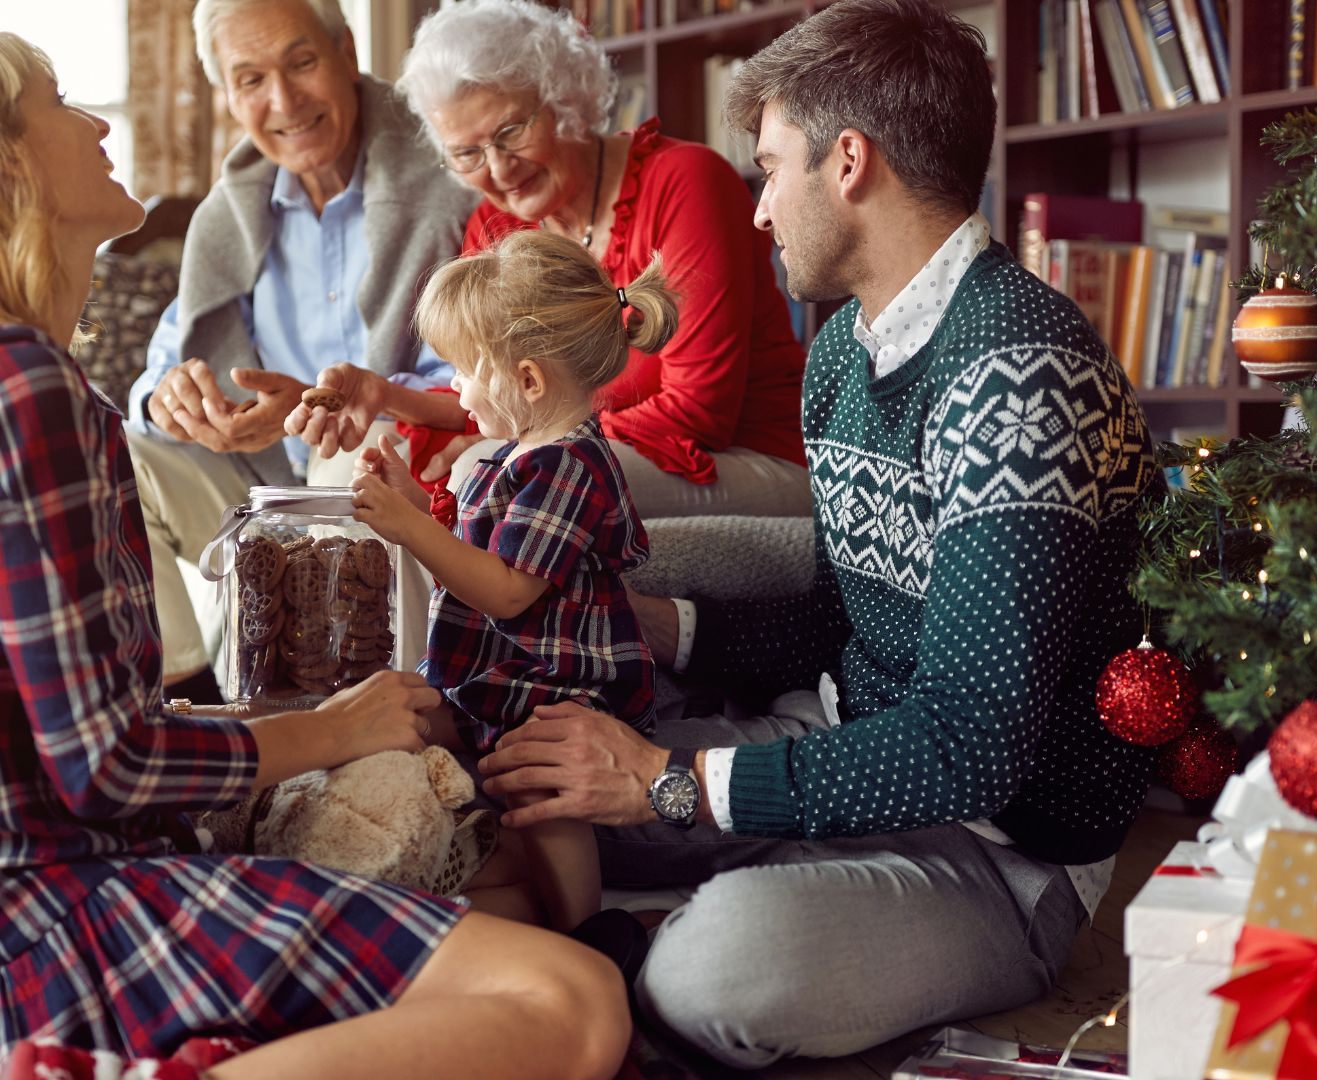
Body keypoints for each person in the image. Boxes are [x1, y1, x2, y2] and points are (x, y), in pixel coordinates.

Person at [475, 0, 1166, 1068]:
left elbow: (971, 748)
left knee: (714, 969)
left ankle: (679, 936)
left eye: (768, 169)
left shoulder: (1018, 372)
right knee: (535, 800)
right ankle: (682, 919)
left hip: (1001, 852)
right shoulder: (843, 351)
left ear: (849, 162)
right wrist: (659, 624)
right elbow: (845, 616)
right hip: (837, 738)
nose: (758, 211)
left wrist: (665, 781)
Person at [0, 32, 627, 1080]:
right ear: (11, 165)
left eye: (299, 62)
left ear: (344, 55)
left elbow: (74, 739)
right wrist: (330, 729)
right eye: (61, 102)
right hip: (55, 908)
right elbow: (106, 765)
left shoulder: (35, 377)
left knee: (500, 928)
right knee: (576, 1001)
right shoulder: (31, 385)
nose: (99, 122)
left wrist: (281, 726)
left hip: (59, 866)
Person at [287, 0, 810, 520]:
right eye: (467, 153)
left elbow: (697, 413)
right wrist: (384, 395)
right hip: (592, 444)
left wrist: (510, 449)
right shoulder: (496, 226)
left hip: (742, 458)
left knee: (485, 475)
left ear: (564, 98)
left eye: (510, 132)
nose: (498, 169)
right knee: (359, 461)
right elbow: (498, 391)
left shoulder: (685, 182)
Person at [125, 0, 479, 702]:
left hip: (390, 469)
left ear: (347, 53)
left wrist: (333, 405)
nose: (284, 101)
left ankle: (384, 710)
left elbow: (477, 374)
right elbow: (161, 369)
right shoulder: (230, 213)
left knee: (353, 451)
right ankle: (198, 704)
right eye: (250, 80)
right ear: (228, 97)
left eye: (302, 62)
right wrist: (168, 401)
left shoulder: (448, 179)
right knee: (122, 457)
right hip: (261, 489)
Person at [350, 232, 676, 933]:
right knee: (403, 718)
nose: (456, 388)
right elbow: (476, 552)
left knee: (540, 786)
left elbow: (505, 591)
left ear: (527, 380)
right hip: (496, 672)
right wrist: (416, 506)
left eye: (464, 370)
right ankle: (478, 878)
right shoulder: (516, 454)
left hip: (553, 684)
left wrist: (409, 530)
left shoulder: (567, 465)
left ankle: (588, 931)